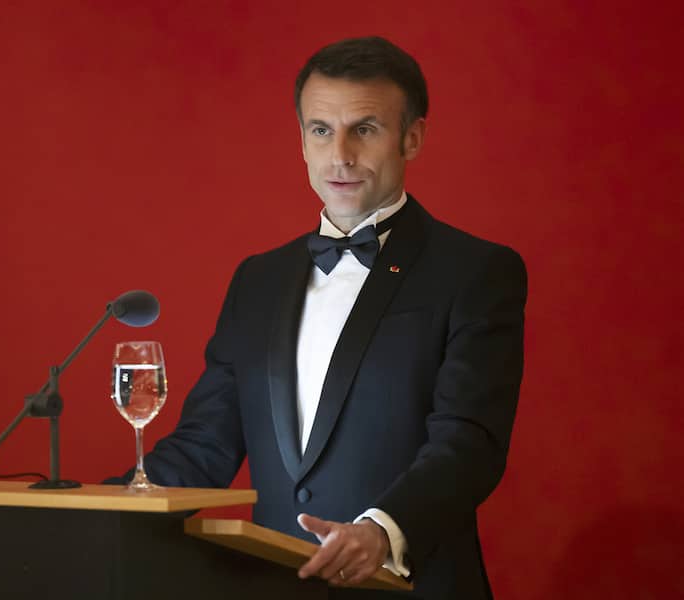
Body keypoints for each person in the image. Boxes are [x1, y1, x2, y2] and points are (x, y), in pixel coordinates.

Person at [119, 36, 526, 599]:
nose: (340, 155)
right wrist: (97, 508)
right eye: (320, 130)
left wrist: (381, 532)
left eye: (365, 129)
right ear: (301, 141)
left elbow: (469, 442)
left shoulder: (476, 271)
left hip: (414, 587)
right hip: (277, 587)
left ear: (412, 138)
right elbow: (204, 445)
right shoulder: (257, 280)